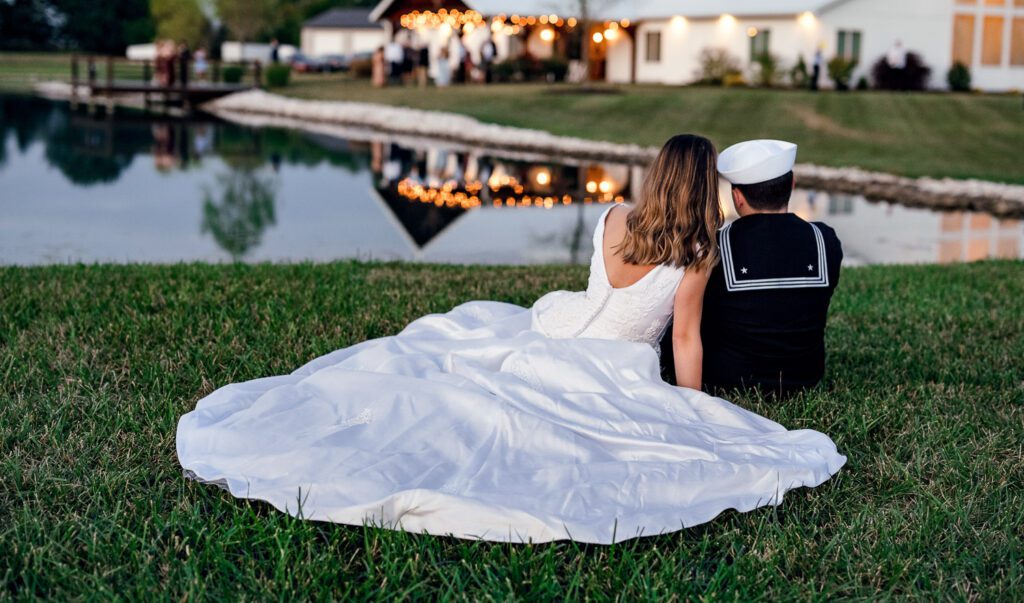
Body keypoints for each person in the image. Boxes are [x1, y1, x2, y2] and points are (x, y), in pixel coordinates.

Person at [177, 134, 845, 545]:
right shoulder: (699, 250)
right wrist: (692, 408)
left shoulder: (614, 217)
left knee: (454, 357)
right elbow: (688, 337)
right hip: (613, 362)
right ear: (706, 188)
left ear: (657, 174)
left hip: (557, 324)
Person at [661, 139, 843, 397]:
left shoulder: (714, 246)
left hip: (726, 379)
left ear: (737, 197)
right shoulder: (826, 240)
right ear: (791, 185)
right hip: (804, 378)